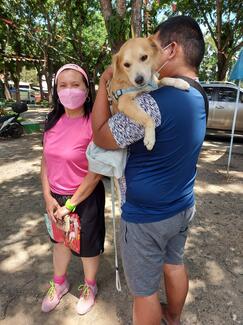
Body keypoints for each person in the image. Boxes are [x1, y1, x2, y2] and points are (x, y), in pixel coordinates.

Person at [91, 16, 206, 325]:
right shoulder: (198, 95)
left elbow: (100, 135)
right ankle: (174, 317)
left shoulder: (152, 104)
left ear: (169, 50)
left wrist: (103, 84)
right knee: (174, 265)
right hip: (182, 206)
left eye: (152, 52)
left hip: (146, 216)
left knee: (144, 292)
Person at [41, 64, 105, 315]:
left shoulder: (95, 123)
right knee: (60, 242)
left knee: (87, 246)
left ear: (87, 90)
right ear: (56, 91)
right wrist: (48, 197)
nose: (68, 91)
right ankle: (59, 284)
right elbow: (45, 161)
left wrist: (70, 205)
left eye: (75, 84)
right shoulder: (51, 120)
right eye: (62, 85)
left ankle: (90, 286)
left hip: (84, 198)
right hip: (55, 198)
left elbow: (96, 171)